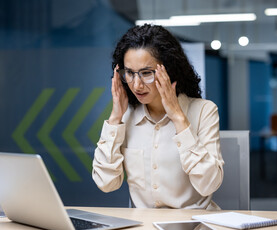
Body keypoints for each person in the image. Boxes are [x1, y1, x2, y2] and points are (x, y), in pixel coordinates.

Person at [92, 24, 224, 210]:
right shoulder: (127, 116)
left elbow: (208, 184)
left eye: (146, 73)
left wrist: (179, 119)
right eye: (129, 73)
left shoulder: (204, 111)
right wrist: (115, 119)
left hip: (194, 228)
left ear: (169, 71)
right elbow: (106, 183)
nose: (136, 85)